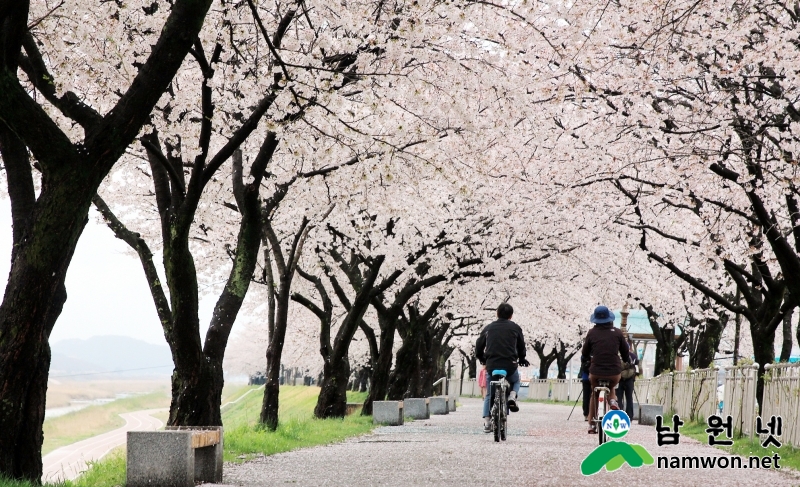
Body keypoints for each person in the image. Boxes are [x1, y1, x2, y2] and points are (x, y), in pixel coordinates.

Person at [476, 302, 529, 433]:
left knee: (489, 393)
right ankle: (512, 395)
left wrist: (482, 358)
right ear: (511, 316)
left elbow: (479, 345)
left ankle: (487, 421)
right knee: (516, 380)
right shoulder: (515, 328)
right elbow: (521, 346)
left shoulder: (488, 328)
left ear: (497, 314)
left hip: (492, 365)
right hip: (510, 365)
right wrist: (521, 358)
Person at [580, 305, 630, 434]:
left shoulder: (592, 333)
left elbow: (585, 351)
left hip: (596, 371)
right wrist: (627, 360)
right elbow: (625, 351)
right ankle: (612, 400)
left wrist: (585, 359)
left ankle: (591, 424)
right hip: (614, 372)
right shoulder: (618, 332)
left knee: (594, 394)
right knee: (612, 386)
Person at [616, 339, 639, 419]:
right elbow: (637, 365)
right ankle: (629, 416)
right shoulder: (633, 356)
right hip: (630, 379)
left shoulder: (617, 355)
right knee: (629, 398)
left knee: (619, 397)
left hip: (619, 379)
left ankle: (619, 414)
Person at [579, 354, 591, 421]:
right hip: (594, 376)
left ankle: (586, 414)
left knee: (586, 396)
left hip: (585, 377)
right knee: (592, 396)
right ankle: (591, 413)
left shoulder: (584, 354)